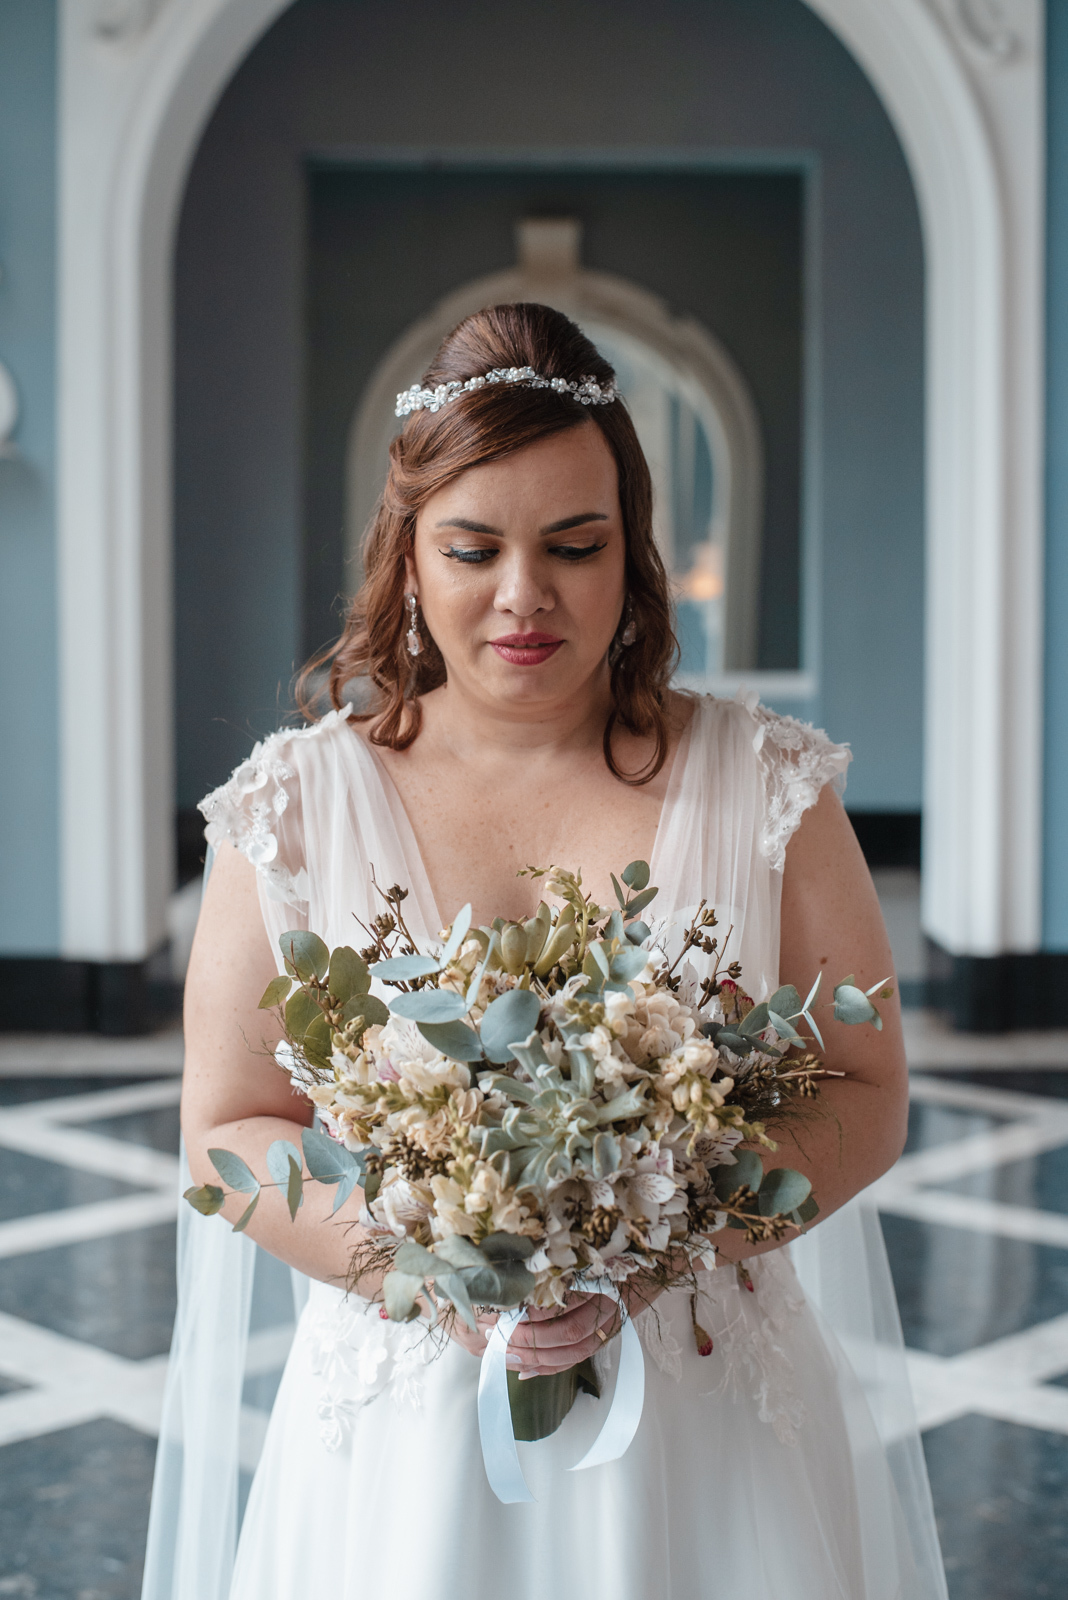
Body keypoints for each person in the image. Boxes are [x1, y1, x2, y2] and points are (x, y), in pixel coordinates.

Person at [149, 304, 947, 1600]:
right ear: (408, 560)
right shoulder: (292, 810)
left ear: (634, 555)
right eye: (474, 548)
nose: (524, 596)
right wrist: (427, 1262)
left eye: (575, 546)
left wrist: (661, 1243)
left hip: (704, 1429)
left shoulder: (768, 786)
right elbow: (230, 1130)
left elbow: (866, 1092)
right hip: (403, 1449)